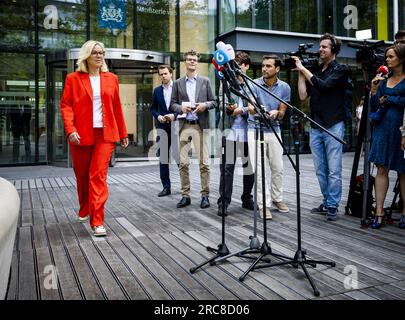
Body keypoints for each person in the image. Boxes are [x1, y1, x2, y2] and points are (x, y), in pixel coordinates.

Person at [60, 40, 129, 237]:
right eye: (95, 53)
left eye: (101, 53)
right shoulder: (73, 78)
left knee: (97, 176)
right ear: (87, 56)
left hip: (105, 135)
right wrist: (70, 129)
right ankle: (84, 207)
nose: (99, 56)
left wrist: (122, 133)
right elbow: (66, 106)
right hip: (80, 134)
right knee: (82, 177)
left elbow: (116, 107)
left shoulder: (111, 78)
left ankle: (97, 221)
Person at [293, 33, 349, 221]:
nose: (320, 49)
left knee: (334, 169)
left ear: (334, 50)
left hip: (333, 124)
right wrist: (301, 73)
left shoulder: (340, 69)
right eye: (320, 46)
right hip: (316, 124)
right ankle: (327, 201)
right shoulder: (315, 71)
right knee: (320, 169)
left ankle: (333, 205)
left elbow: (324, 86)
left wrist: (303, 68)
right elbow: (302, 96)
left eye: (325, 46)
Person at [170, 49, 216, 209]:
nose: (192, 62)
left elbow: (214, 102)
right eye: (189, 59)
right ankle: (185, 195)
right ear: (185, 62)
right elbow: (172, 104)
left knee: (204, 163)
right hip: (184, 126)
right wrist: (181, 109)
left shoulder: (205, 81)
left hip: (201, 126)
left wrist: (205, 105)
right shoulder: (177, 83)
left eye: (194, 60)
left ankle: (205, 196)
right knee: (183, 163)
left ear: (197, 62)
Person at [248, 55, 291, 220]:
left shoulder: (285, 87)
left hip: (274, 130)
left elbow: (282, 114)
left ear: (277, 69)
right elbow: (251, 108)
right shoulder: (254, 84)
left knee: (277, 167)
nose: (264, 69)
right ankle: (263, 205)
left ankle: (277, 198)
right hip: (255, 129)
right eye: (263, 66)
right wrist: (262, 110)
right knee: (260, 170)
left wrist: (277, 113)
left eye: (268, 66)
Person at [369, 44, 405, 229]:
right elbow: (375, 106)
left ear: (401, 58)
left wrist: (390, 100)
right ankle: (379, 212)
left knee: (403, 170)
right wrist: (374, 90)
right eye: (387, 57)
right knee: (381, 168)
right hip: (383, 128)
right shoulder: (383, 80)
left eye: (391, 56)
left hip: (401, 129)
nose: (387, 60)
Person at [217, 51, 255, 216]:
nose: (236, 68)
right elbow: (220, 101)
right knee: (227, 169)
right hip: (229, 134)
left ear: (246, 66)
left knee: (249, 168)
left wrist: (242, 110)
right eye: (234, 65)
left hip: (248, 134)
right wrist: (227, 107)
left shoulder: (253, 85)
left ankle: (247, 199)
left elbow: (256, 106)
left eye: (239, 65)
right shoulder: (225, 83)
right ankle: (223, 203)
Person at [150, 65, 178, 197]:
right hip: (162, 127)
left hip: (177, 126)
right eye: (161, 74)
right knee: (163, 158)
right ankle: (166, 187)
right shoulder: (157, 91)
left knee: (180, 158)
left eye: (165, 73)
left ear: (171, 74)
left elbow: (183, 107)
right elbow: (153, 108)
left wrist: (175, 116)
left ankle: (186, 187)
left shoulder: (178, 88)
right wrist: (158, 116)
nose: (163, 76)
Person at [9, 96, 31, 162]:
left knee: (27, 143)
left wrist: (24, 125)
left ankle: (28, 158)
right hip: (16, 127)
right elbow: (11, 116)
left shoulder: (28, 106)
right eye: (20, 99)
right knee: (16, 143)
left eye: (22, 99)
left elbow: (28, 117)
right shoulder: (13, 106)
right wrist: (16, 125)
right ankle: (15, 158)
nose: (21, 100)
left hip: (25, 127)